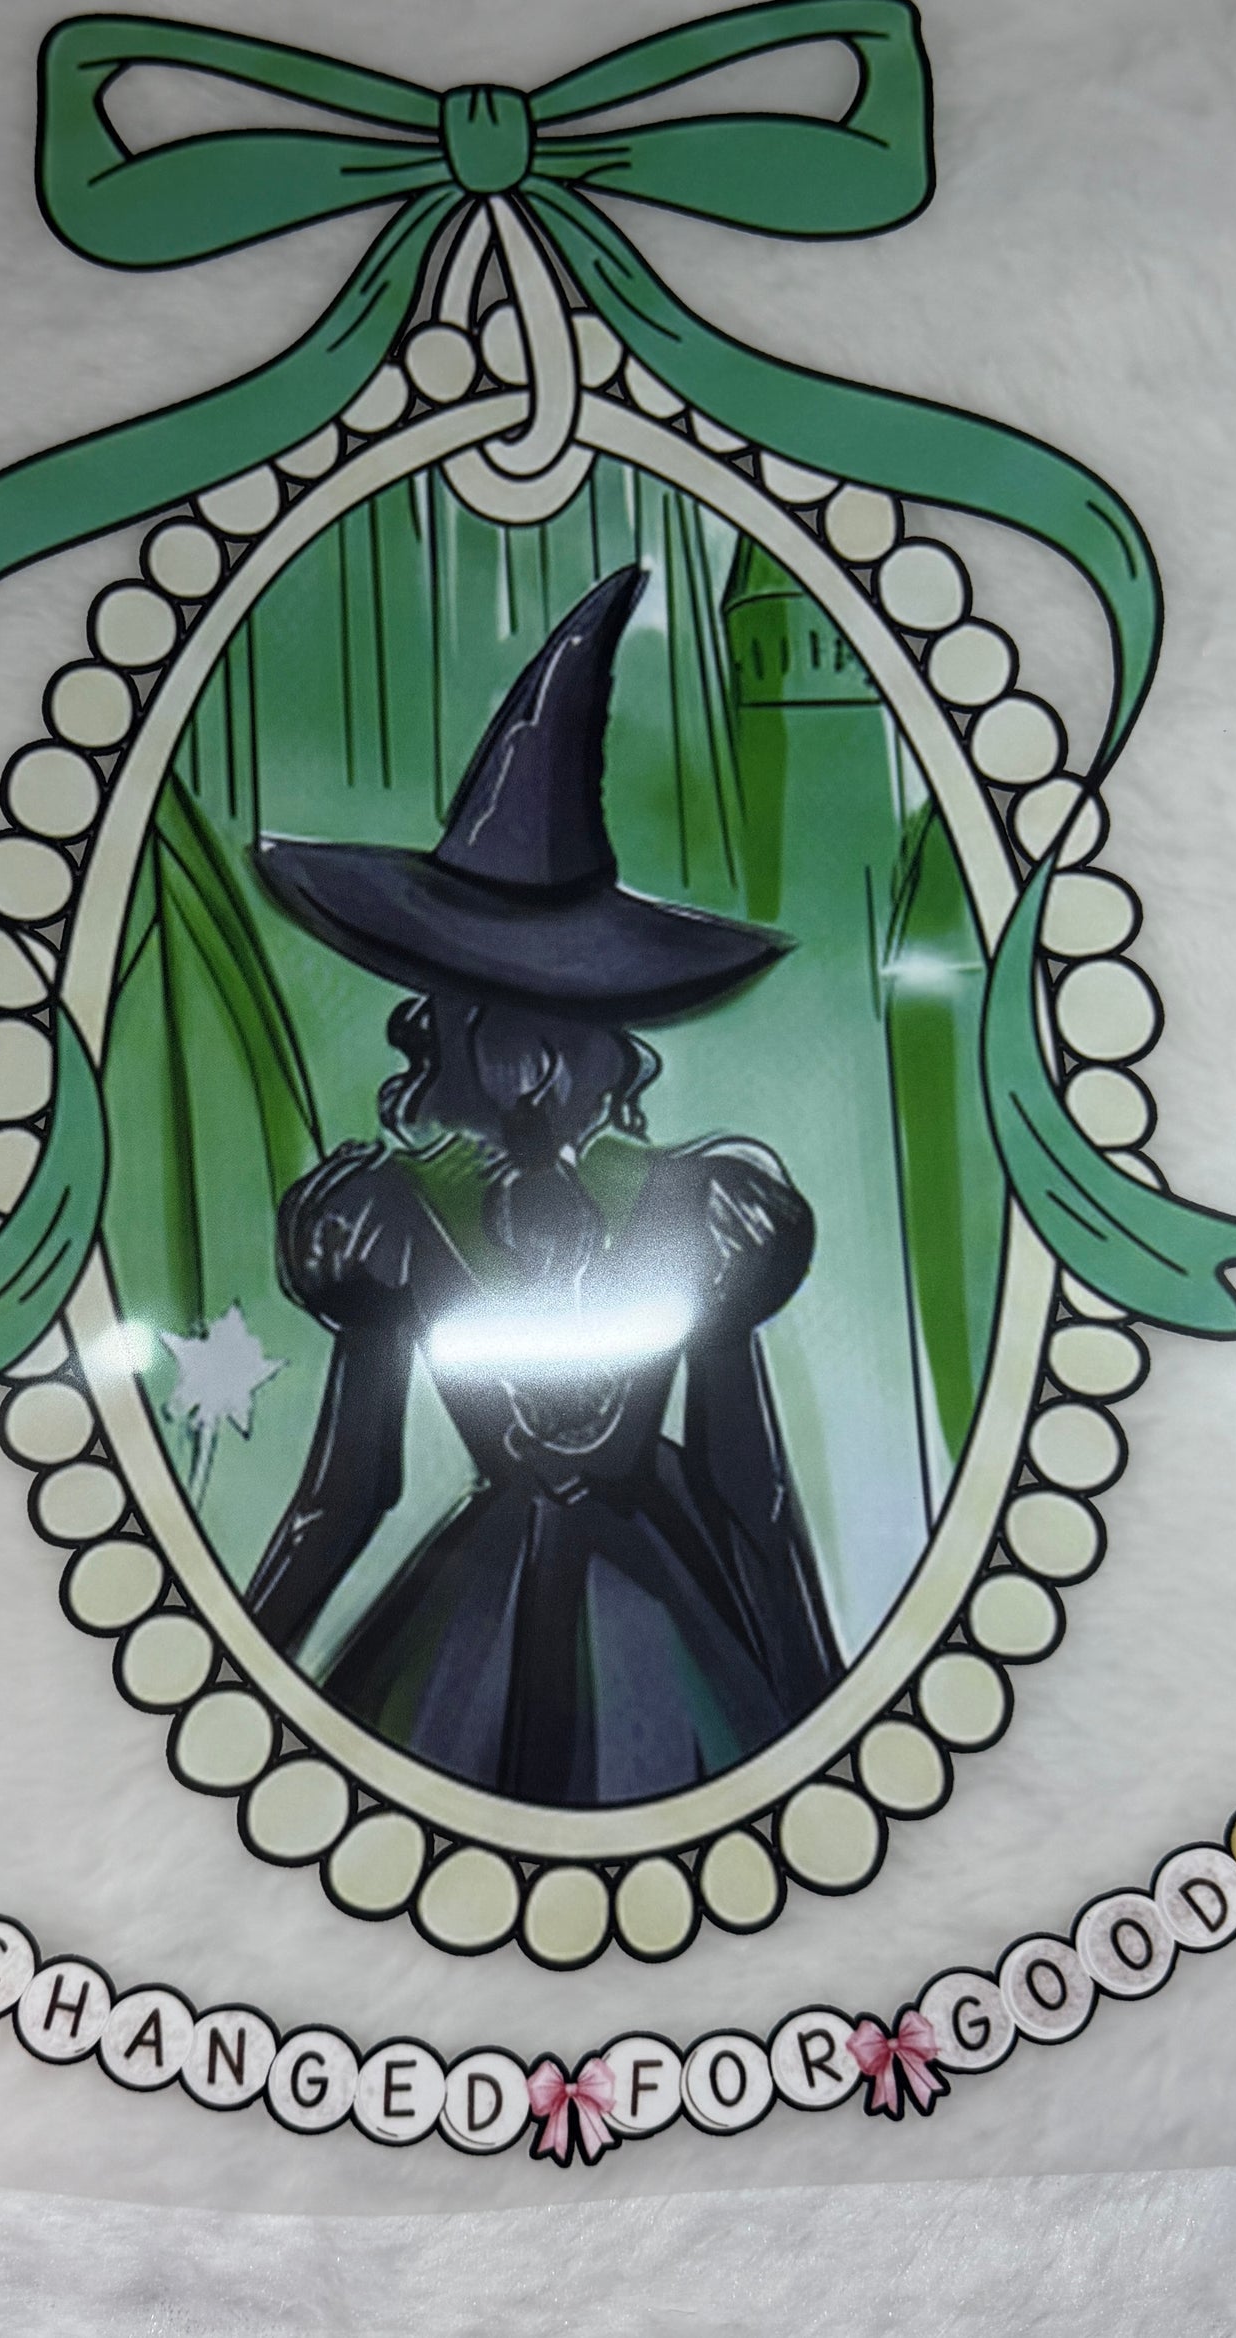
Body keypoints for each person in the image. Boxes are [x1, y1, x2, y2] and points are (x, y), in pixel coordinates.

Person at [244, 567, 839, 1807]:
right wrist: (232, 1671)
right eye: (482, 1013)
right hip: (478, 1619)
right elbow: (348, 1490)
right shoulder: (388, 1223)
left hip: (663, 1619)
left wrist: (823, 1706)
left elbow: (746, 1482)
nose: (522, 1058)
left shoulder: (694, 1210)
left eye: (550, 1021)